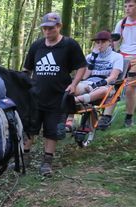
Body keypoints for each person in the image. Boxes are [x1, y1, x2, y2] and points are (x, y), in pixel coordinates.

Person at [23, 12, 87, 177]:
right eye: (44, 28)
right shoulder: (37, 46)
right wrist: (24, 87)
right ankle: (24, 157)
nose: (47, 31)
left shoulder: (69, 45)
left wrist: (74, 84)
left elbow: (82, 66)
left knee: (52, 131)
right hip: (35, 95)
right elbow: (27, 69)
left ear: (59, 26)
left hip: (58, 97)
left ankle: (47, 162)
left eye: (51, 28)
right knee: (30, 127)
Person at [64, 31, 124, 130]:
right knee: (72, 88)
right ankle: (70, 120)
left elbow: (113, 77)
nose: (100, 44)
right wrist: (93, 57)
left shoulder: (117, 57)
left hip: (106, 85)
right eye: (97, 42)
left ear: (110, 42)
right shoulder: (90, 56)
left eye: (103, 42)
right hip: (88, 82)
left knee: (104, 90)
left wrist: (96, 85)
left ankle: (75, 100)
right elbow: (85, 76)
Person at [114, 0, 136, 127]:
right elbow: (115, 39)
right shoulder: (121, 23)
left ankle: (128, 117)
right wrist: (116, 53)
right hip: (122, 55)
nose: (127, 9)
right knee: (113, 85)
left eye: (131, 6)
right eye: (125, 6)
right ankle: (106, 116)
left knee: (130, 87)